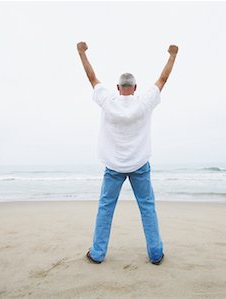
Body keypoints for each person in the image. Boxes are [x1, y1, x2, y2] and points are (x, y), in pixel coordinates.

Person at [76, 41, 178, 265]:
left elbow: (91, 78)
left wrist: (81, 52)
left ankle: (98, 254)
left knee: (106, 208)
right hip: (139, 165)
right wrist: (172, 55)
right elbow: (163, 80)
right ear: (135, 87)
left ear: (117, 87)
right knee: (147, 207)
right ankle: (155, 254)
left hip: (113, 166)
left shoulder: (108, 100)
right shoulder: (144, 101)